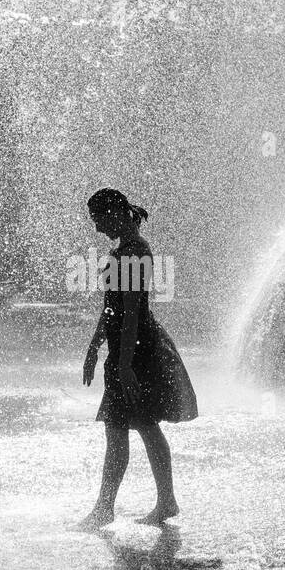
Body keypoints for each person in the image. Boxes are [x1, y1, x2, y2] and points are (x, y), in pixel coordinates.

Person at [79, 188, 197, 528]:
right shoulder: (122, 250)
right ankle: (139, 504)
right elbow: (111, 307)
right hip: (124, 350)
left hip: (137, 351)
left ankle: (133, 505)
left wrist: (126, 363)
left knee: (142, 424)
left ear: (115, 213)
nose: (98, 228)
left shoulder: (136, 251)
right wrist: (94, 347)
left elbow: (131, 311)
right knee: (125, 427)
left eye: (99, 219)